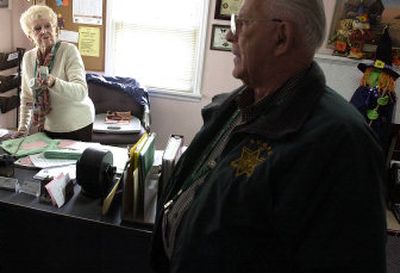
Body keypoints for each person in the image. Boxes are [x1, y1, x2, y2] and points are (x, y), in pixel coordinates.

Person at [151, 0, 387, 272]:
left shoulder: (342, 144)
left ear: (281, 37)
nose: (229, 35)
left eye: (241, 23)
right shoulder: (235, 105)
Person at [16, 5, 94, 141]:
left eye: (48, 26)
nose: (44, 31)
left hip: (77, 124)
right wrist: (22, 129)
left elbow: (81, 92)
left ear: (55, 29)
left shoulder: (69, 51)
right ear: (30, 36)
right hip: (48, 126)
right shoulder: (28, 58)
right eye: (37, 28)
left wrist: (54, 83)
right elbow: (27, 98)